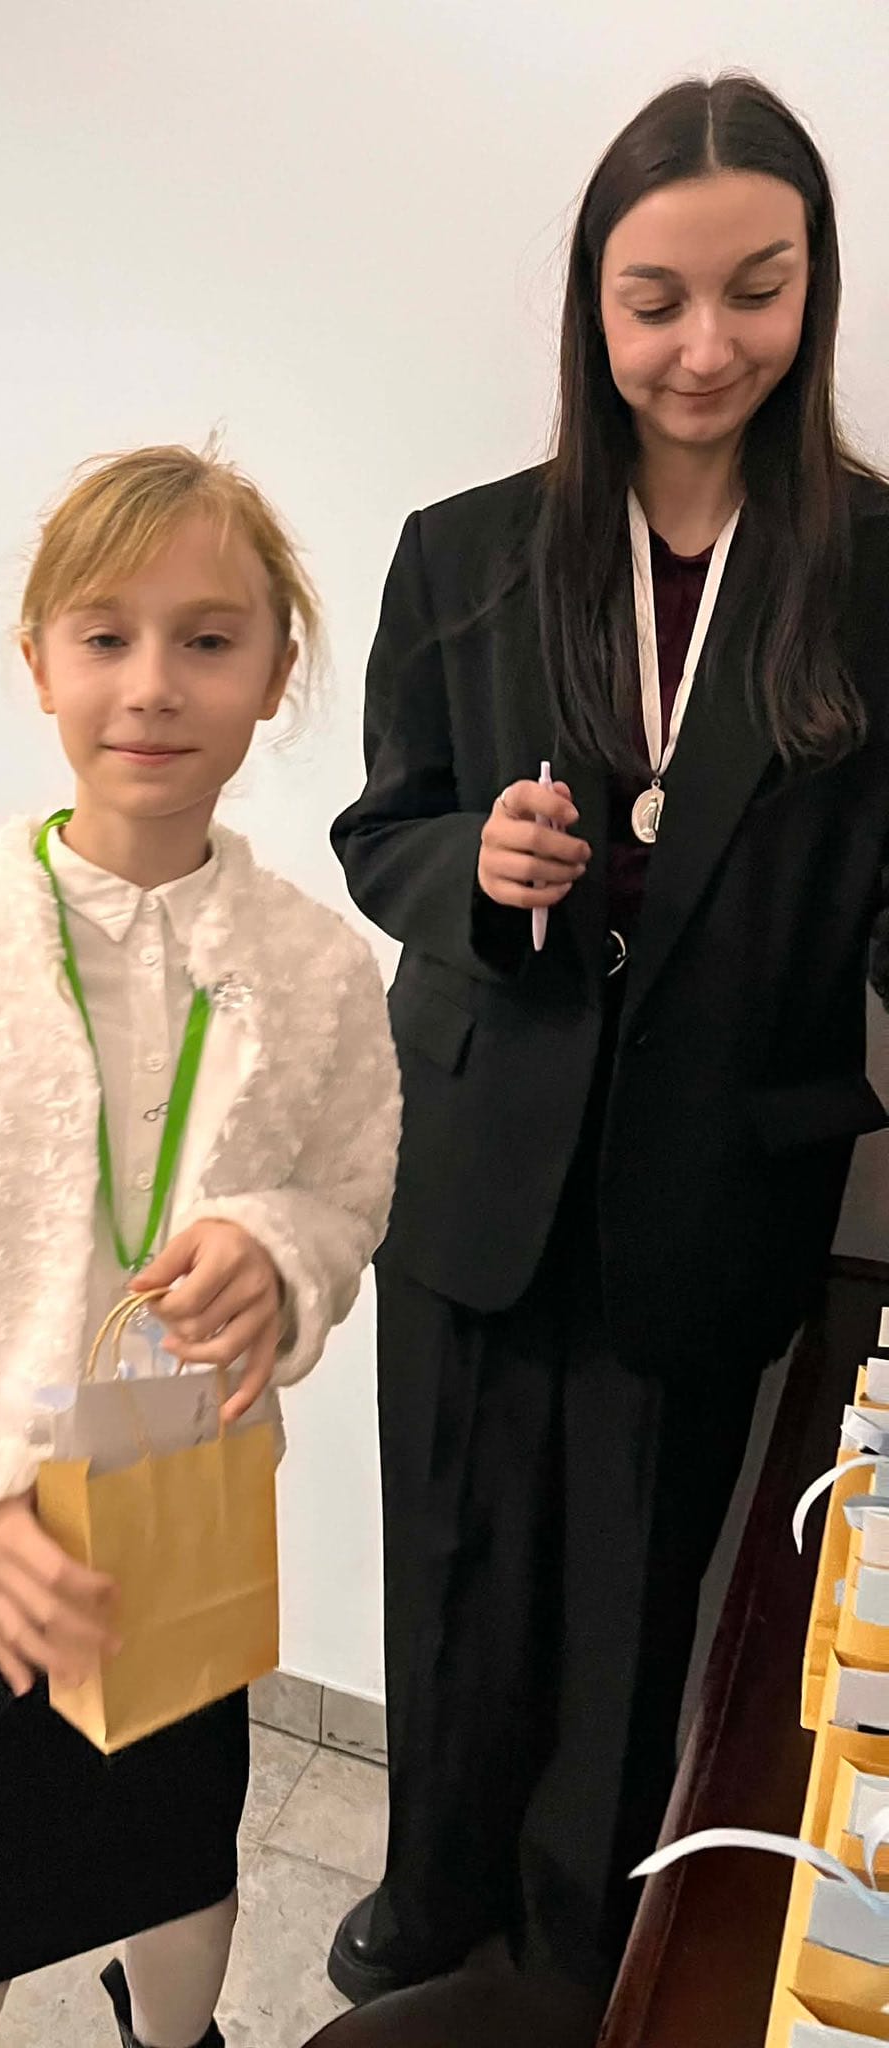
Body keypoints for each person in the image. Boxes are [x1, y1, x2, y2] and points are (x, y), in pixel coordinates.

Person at [319, 73, 889, 2048]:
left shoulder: (877, 570)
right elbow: (378, 828)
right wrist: (469, 871)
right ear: (591, 303)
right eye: (656, 299)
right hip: (478, 1167)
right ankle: (425, 1909)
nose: (706, 345)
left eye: (758, 290)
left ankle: (581, 1964)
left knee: (642, 1606)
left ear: (816, 288)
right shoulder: (464, 550)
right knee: (453, 1571)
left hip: (718, 1176)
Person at [0, 443, 403, 2048]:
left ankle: (173, 2036)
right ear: (38, 660)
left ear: (277, 676)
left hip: (181, 1514)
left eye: (209, 639)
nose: (153, 685)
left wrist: (279, 1252)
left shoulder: (318, 969)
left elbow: (350, 1192)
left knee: (185, 1876)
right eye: (106, 635)